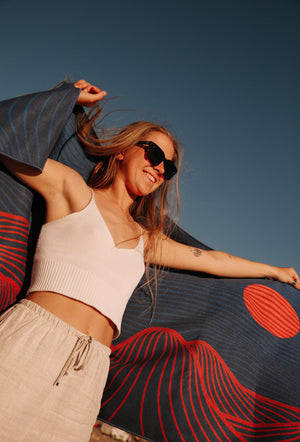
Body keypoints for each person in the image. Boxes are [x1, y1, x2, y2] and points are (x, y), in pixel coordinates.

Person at [0, 79, 299, 442]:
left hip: (91, 371)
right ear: (122, 150)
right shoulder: (72, 190)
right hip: (31, 341)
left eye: (168, 168)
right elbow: (9, 139)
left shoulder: (146, 239)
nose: (159, 169)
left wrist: (274, 270)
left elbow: (213, 261)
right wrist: (64, 96)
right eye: (154, 155)